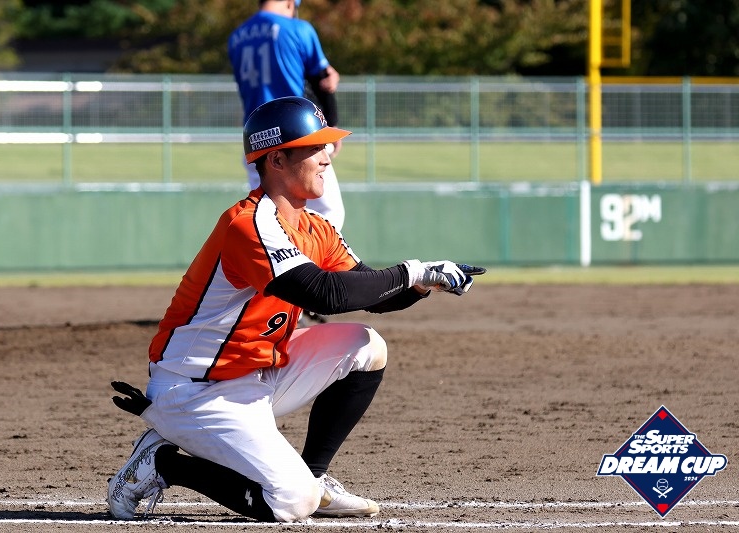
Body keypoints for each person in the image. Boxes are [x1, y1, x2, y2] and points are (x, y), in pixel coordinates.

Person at [106, 96, 480, 523]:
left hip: (257, 374)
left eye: (327, 145)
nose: (328, 156)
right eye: (315, 146)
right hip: (196, 390)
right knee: (292, 502)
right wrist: (412, 270)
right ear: (277, 159)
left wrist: (422, 283)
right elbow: (324, 295)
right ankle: (162, 463)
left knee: (367, 346)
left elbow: (373, 293)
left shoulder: (315, 226)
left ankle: (315, 475)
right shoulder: (249, 223)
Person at [228, 0, 346, 231]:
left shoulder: (236, 37)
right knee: (328, 214)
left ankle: (278, 254)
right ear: (290, 3)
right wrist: (331, 124)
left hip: (256, 137)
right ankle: (304, 256)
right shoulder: (298, 28)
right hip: (295, 132)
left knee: (269, 212)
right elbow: (323, 80)